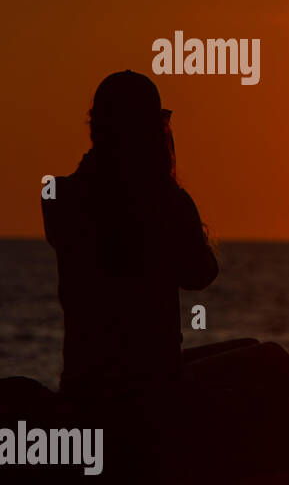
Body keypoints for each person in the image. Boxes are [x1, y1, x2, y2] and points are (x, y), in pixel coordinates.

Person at [42, 70, 218, 395]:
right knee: (269, 359)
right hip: (154, 386)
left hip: (83, 385)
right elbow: (201, 274)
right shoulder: (167, 200)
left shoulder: (58, 196)